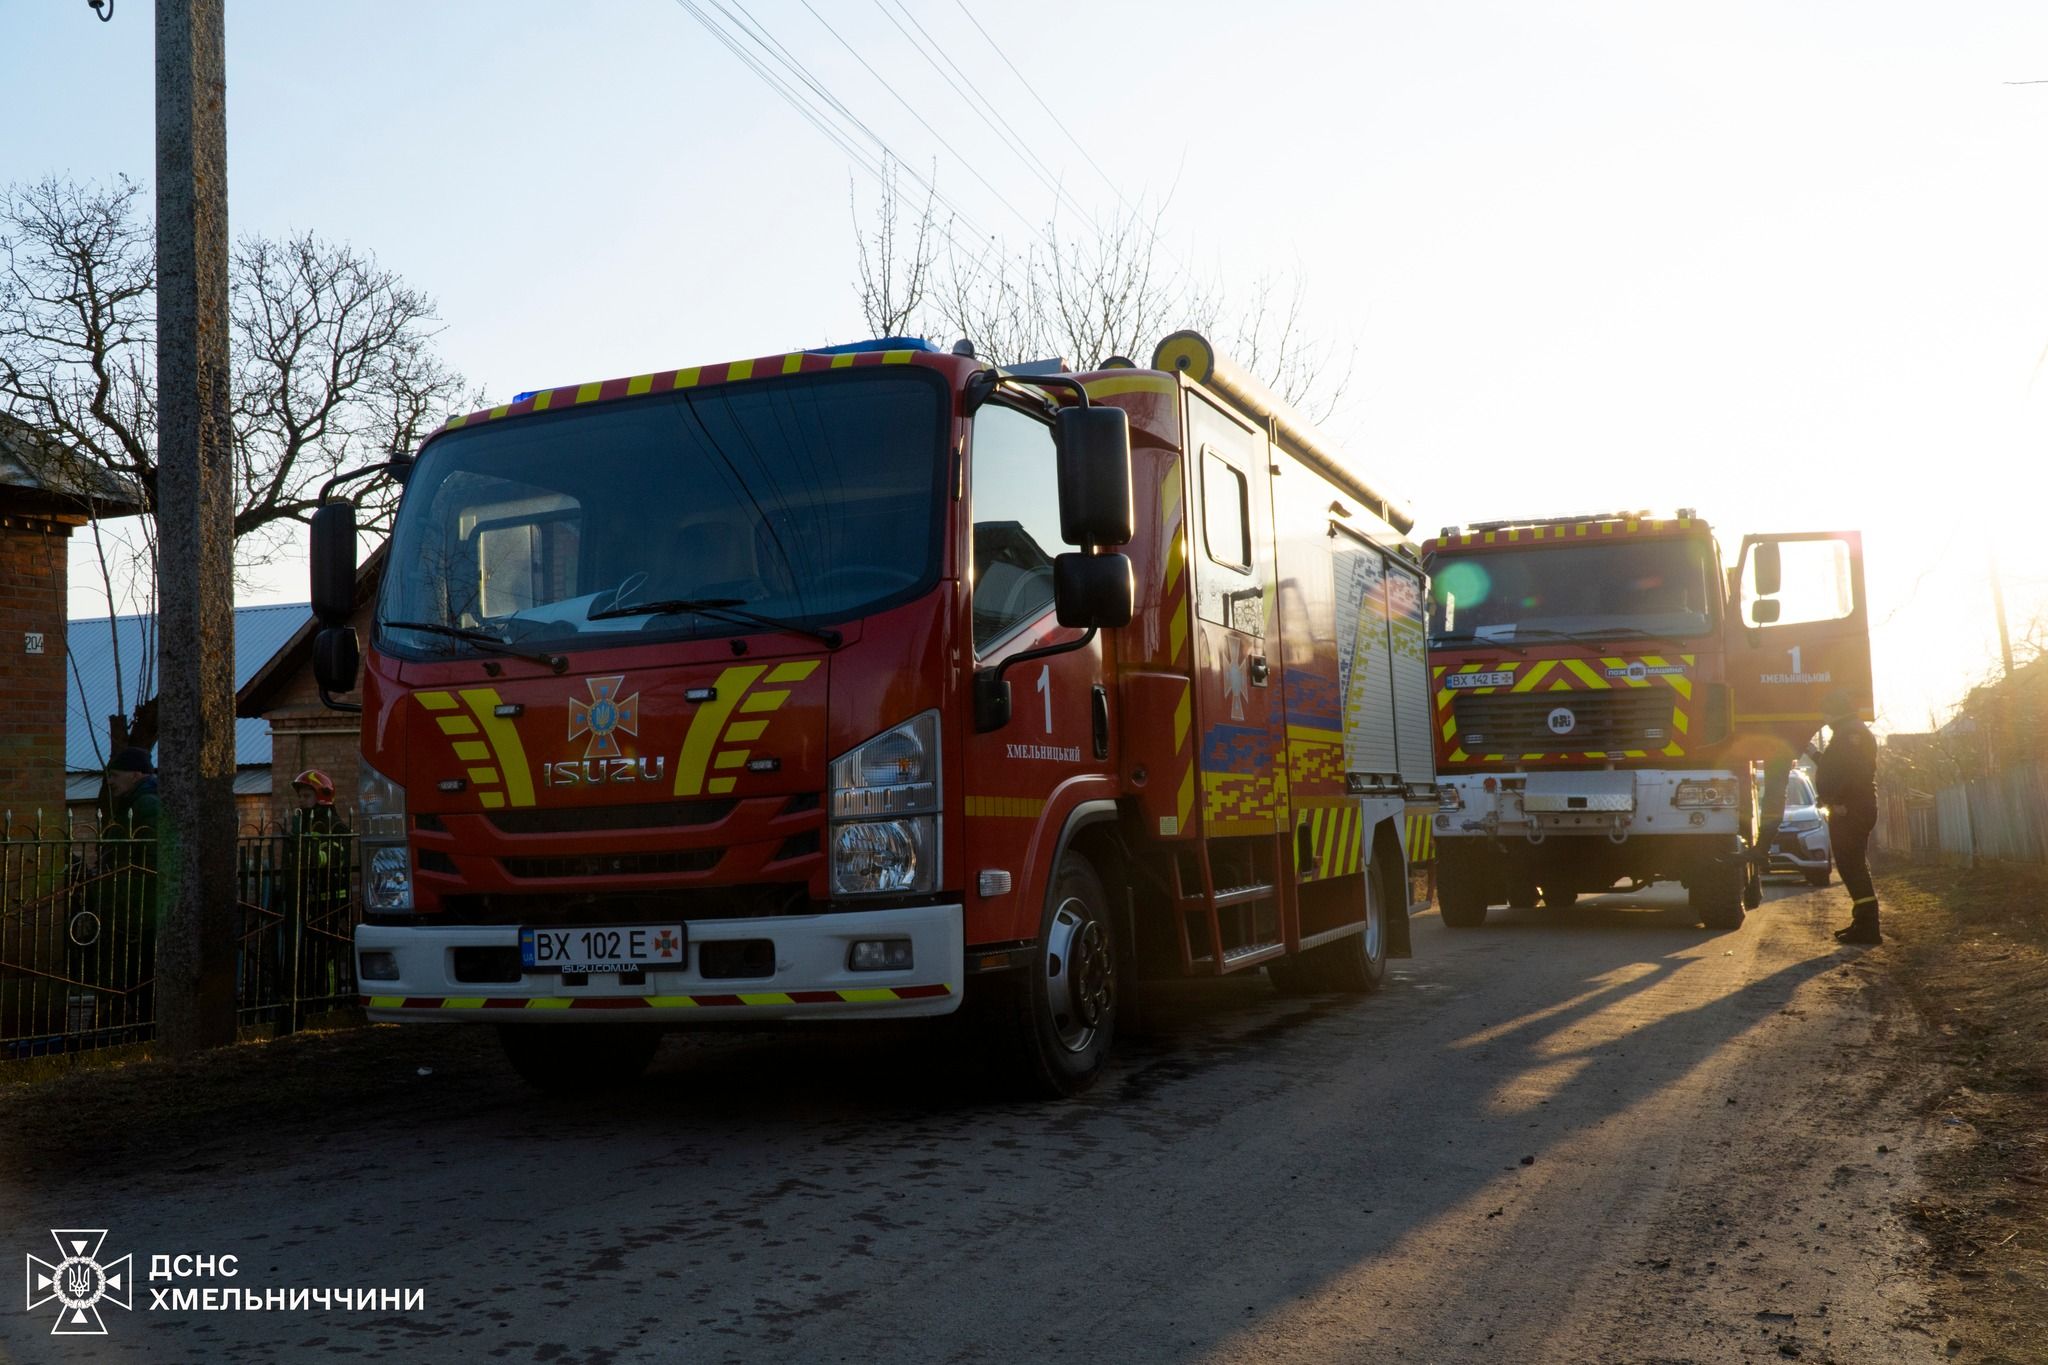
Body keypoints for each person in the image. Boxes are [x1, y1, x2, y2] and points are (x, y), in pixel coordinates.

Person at [1811, 691, 1880, 944]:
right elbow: (1836, 768)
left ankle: (1868, 928)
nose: (1825, 719)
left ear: (1835, 712)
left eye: (1826, 714)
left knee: (1852, 867)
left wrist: (1839, 800)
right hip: (1851, 806)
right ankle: (1863, 923)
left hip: (1851, 808)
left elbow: (1855, 773)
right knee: (1852, 866)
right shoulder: (1849, 732)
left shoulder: (1852, 735)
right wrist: (1814, 755)